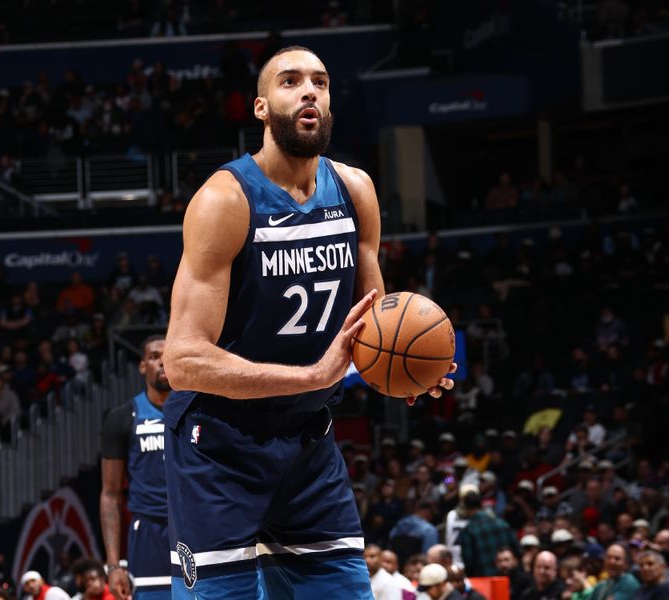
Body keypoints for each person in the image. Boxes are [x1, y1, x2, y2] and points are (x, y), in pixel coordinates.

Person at [162, 45, 455, 599]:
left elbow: (377, 323)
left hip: (306, 441)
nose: (308, 92)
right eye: (290, 81)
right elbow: (181, 362)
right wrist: (311, 377)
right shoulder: (225, 200)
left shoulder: (355, 191)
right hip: (219, 445)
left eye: (319, 82)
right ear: (261, 108)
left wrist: (410, 368)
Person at [100, 336, 172, 600]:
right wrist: (114, 565)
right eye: (154, 356)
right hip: (149, 532)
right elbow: (110, 494)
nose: (163, 361)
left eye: (169, 354)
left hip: (194, 528)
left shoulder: (198, 412)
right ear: (143, 366)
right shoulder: (122, 417)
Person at [456, 491, 519, 577]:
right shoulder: (502, 524)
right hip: (508, 580)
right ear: (481, 505)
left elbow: (468, 562)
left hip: (483, 581)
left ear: (466, 508)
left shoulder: (468, 531)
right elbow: (517, 551)